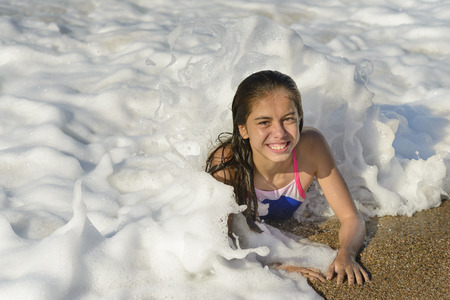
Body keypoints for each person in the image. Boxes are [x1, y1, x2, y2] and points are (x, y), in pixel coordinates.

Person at [205, 70, 370, 285]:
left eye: (288, 119)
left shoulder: (312, 147)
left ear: (299, 118)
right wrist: (273, 266)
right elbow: (219, 246)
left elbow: (351, 219)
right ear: (243, 129)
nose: (280, 132)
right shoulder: (228, 165)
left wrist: (346, 253)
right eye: (264, 122)